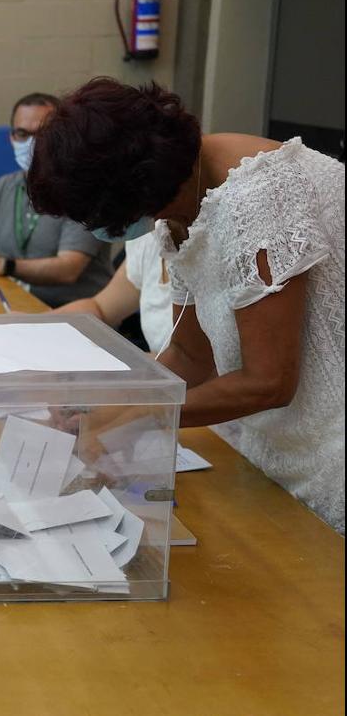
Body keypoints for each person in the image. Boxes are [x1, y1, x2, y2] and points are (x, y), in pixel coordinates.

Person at [28, 77, 345, 533]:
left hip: (330, 457)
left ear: (129, 188)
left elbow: (270, 381)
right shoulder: (180, 206)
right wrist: (102, 406)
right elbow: (190, 357)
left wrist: (136, 414)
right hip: (277, 448)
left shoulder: (260, 198)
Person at [0, 93, 114, 308]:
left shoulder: (82, 191)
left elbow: (68, 269)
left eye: (43, 133)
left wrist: (2, 266)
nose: (32, 143)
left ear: (63, 136)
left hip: (73, 315)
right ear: (12, 138)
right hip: (16, 305)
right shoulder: (3, 187)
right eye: (23, 134)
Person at [55, 232, 172, 352]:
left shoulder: (188, 254)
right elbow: (100, 308)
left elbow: (182, 362)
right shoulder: (150, 238)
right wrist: (37, 326)